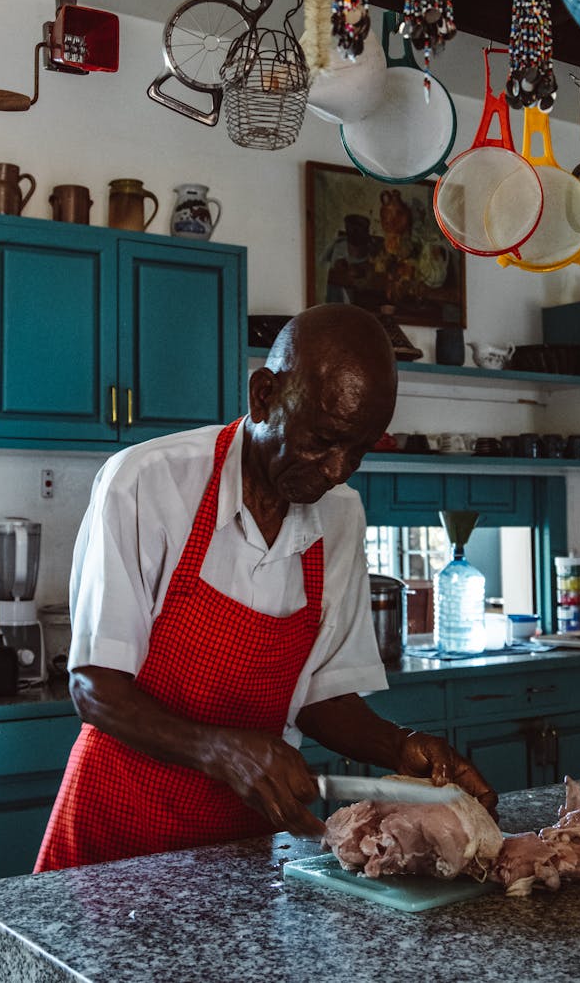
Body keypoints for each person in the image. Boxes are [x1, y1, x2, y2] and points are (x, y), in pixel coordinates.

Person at [35, 303, 497, 872]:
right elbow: (94, 684)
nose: (335, 471)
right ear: (263, 396)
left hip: (240, 847)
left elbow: (321, 696)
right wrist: (219, 748)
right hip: (116, 837)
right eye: (323, 439)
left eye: (359, 450)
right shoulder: (147, 483)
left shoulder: (340, 516)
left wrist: (399, 747)